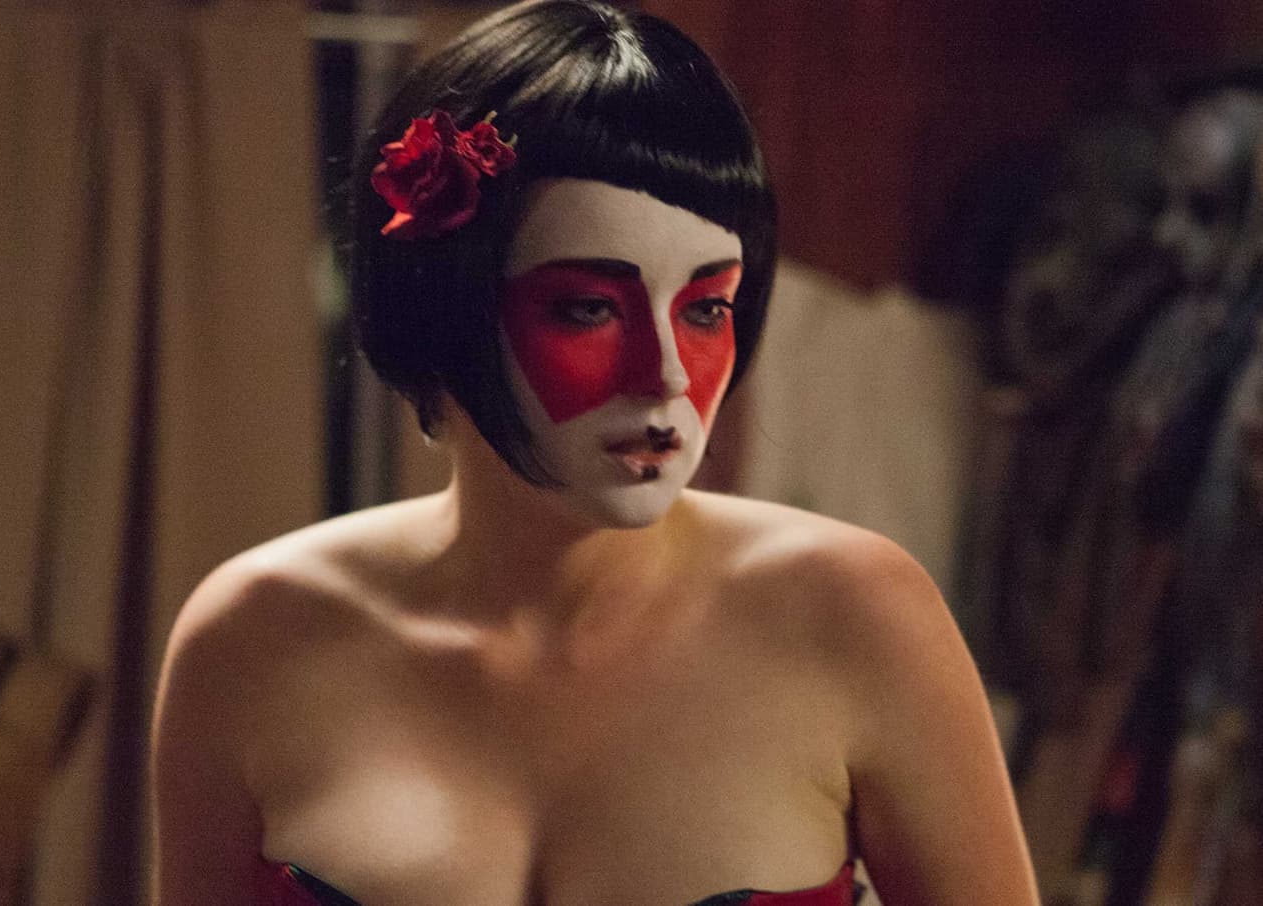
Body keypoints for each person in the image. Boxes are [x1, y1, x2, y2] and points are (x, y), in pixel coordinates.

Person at [151, 2, 1037, 904]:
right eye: (588, 308)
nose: (666, 376)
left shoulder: (854, 617)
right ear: (444, 307)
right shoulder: (253, 637)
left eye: (706, 308)